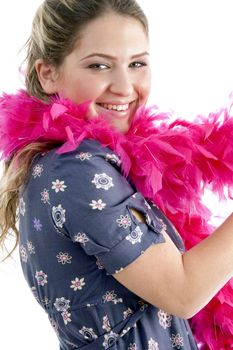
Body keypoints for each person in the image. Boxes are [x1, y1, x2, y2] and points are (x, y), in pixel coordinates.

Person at [0, 0, 233, 349]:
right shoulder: (75, 172)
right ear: (48, 73)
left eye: (137, 63)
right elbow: (182, 292)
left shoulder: (98, 162)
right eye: (99, 66)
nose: (124, 87)